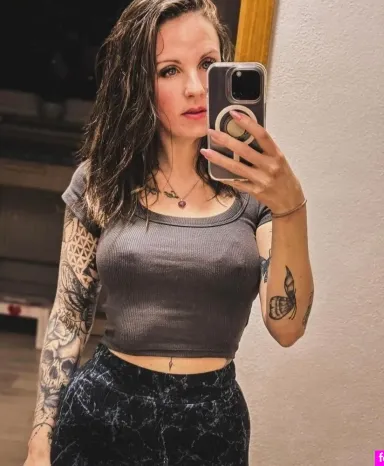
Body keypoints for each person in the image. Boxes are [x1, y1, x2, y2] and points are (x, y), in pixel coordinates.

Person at [24, 0, 314, 464]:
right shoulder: (101, 182)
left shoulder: (256, 192)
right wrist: (41, 434)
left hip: (212, 426)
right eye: (169, 70)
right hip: (102, 414)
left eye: (207, 65)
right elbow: (70, 315)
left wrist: (290, 208)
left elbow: (287, 327)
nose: (195, 88)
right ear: (139, 82)